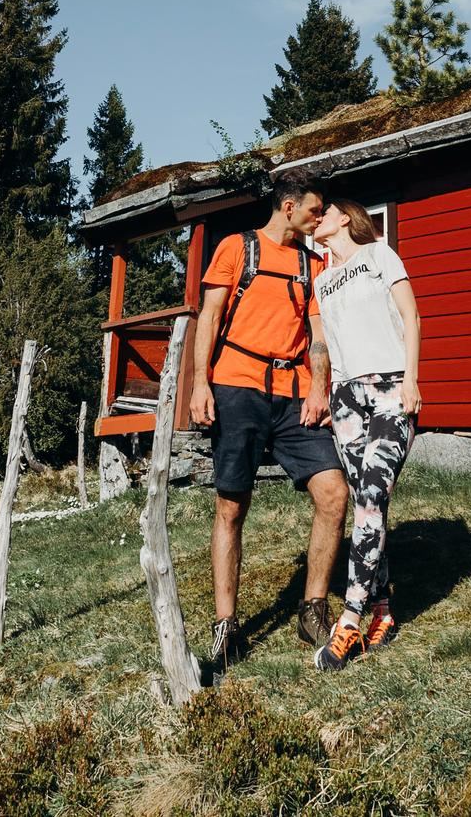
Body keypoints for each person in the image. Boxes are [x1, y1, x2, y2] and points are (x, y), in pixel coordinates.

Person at [188, 173, 349, 666]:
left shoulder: (311, 264)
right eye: (314, 210)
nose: (319, 218)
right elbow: (209, 318)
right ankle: (226, 626)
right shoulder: (237, 249)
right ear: (287, 205)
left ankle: (313, 608)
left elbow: (317, 334)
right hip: (236, 386)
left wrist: (320, 388)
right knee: (232, 507)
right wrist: (200, 383)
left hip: (295, 396)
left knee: (334, 492)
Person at [307, 197, 421, 671]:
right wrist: (330, 394)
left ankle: (349, 621)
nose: (318, 218)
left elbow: (411, 316)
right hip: (347, 397)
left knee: (372, 496)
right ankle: (382, 611)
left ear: (346, 218)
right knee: (366, 504)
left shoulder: (380, 254)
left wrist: (412, 379)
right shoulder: (322, 280)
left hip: (392, 385)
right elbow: (328, 343)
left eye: (325, 211)